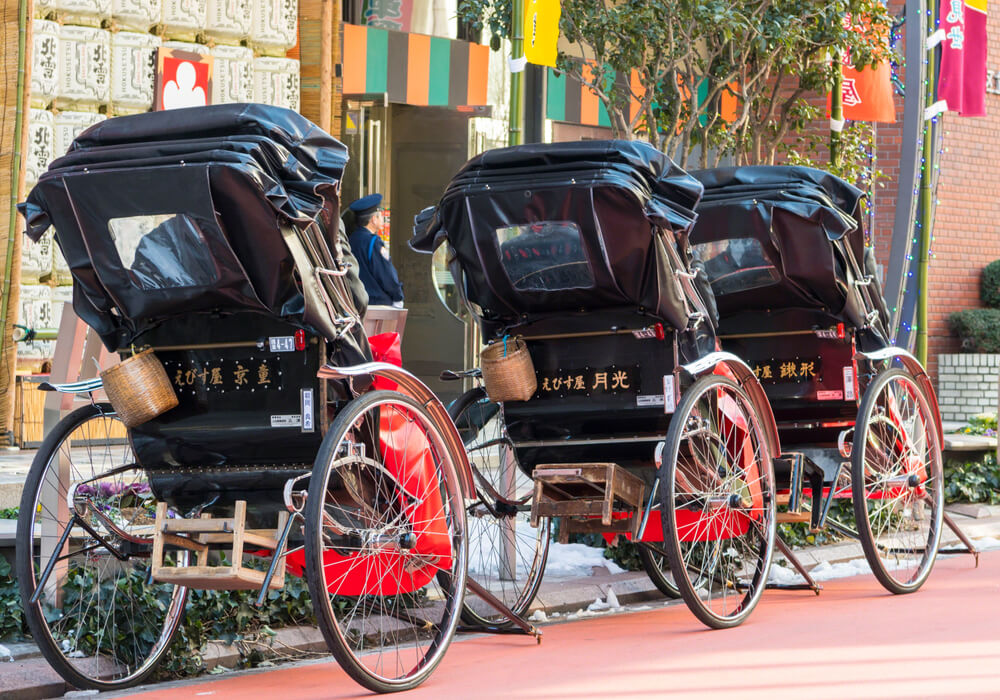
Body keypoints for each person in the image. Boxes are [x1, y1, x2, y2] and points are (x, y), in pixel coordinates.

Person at [345, 193, 404, 308]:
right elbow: (386, 273)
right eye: (380, 215)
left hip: (355, 303)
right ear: (374, 219)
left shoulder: (350, 240)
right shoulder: (374, 242)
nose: (383, 219)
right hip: (377, 305)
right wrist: (398, 296)